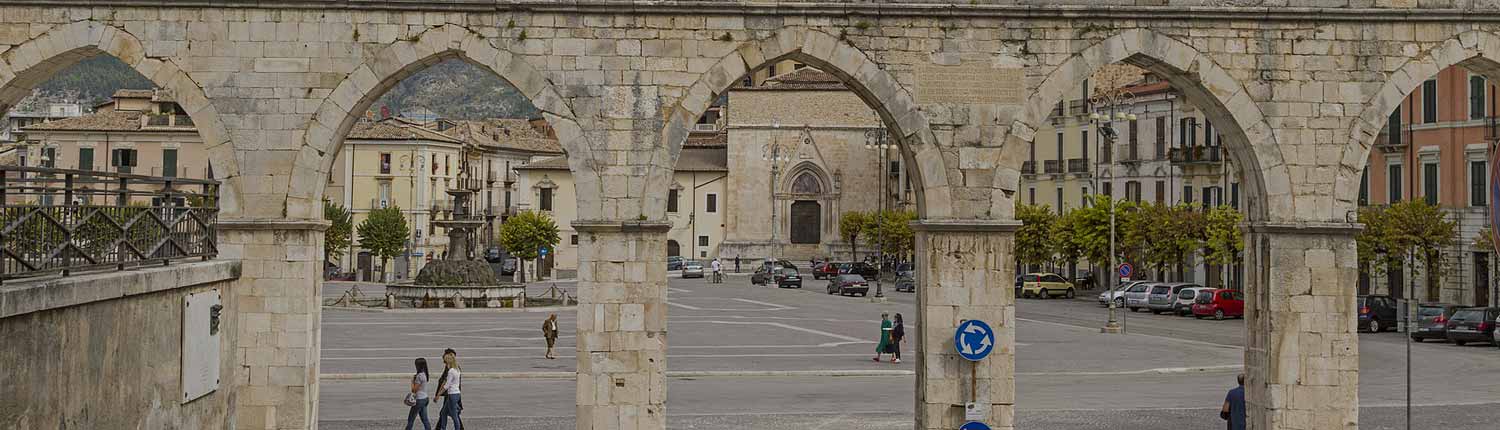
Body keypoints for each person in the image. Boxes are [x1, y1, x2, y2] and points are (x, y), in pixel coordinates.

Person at [435, 349, 463, 430]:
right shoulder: (457, 369)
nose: (444, 361)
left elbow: (446, 384)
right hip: (455, 393)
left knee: (454, 415)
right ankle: (442, 428)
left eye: (445, 360)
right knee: (443, 413)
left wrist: (438, 394)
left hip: (452, 394)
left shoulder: (451, 371)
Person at [405, 358, 431, 430]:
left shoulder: (419, 376)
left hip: (419, 399)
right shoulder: (425, 374)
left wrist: (412, 381)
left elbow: (414, 390)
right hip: (425, 398)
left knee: (411, 419)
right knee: (425, 419)